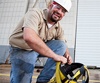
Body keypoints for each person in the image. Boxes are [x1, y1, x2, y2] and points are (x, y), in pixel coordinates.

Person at [9, 0, 73, 83]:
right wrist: (54, 56)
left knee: (61, 45)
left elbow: (62, 43)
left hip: (37, 49)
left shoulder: (58, 27)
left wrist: (67, 56)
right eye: (58, 7)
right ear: (50, 5)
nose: (59, 12)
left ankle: (43, 80)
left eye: (63, 11)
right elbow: (29, 37)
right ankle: (17, 70)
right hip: (22, 49)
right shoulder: (34, 13)